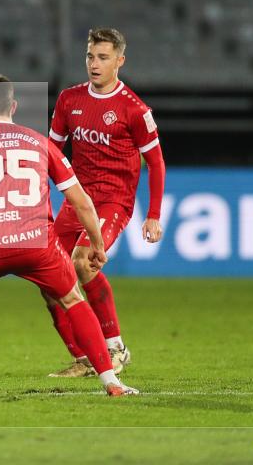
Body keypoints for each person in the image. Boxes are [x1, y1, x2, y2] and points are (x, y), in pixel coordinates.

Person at [0, 73, 138, 397]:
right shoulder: (40, 142)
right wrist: (98, 244)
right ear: (14, 106)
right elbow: (82, 202)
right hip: (36, 244)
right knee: (73, 299)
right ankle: (111, 382)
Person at [44, 27, 166, 378]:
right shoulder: (69, 100)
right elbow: (52, 152)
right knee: (49, 280)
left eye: (103, 57)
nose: (94, 64)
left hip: (114, 201)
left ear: (119, 61)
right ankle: (85, 356)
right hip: (77, 201)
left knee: (84, 263)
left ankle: (115, 348)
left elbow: (156, 162)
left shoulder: (134, 109)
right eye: (90, 56)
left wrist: (153, 215)